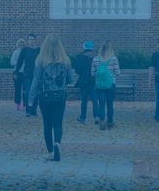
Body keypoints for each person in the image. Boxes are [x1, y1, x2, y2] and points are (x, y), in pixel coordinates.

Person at [28, 34, 75, 162]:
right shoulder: (65, 60)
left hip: (45, 96)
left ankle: (50, 152)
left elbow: (36, 81)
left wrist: (31, 99)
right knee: (58, 123)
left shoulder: (41, 60)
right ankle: (58, 144)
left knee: (47, 125)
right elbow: (70, 79)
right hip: (60, 96)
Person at [91, 42, 120, 130]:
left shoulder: (96, 59)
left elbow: (92, 74)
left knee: (101, 104)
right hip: (111, 84)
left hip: (99, 85)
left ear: (101, 48)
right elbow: (118, 72)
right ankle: (110, 122)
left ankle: (102, 122)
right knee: (110, 104)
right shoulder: (114, 59)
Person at [14, 34, 40, 116]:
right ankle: (28, 111)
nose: (31, 41)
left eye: (32, 39)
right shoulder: (25, 50)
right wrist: (16, 72)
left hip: (36, 74)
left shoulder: (39, 50)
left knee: (35, 92)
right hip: (27, 74)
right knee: (27, 91)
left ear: (35, 41)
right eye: (29, 39)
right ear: (27, 41)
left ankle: (34, 110)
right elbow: (19, 61)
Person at [72, 41, 98, 123]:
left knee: (84, 100)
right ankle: (96, 116)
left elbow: (78, 71)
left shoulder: (80, 57)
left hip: (84, 82)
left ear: (84, 47)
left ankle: (83, 117)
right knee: (94, 100)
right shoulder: (96, 57)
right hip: (94, 81)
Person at [10, 38, 26, 109]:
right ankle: (18, 103)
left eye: (23, 45)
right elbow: (12, 62)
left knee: (25, 89)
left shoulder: (26, 52)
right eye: (20, 45)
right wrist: (19, 62)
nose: (21, 46)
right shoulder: (16, 52)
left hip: (25, 72)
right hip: (17, 72)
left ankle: (25, 104)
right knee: (17, 89)